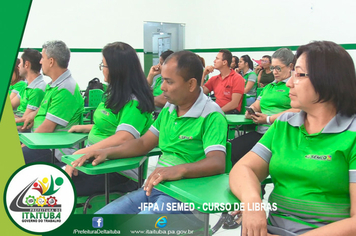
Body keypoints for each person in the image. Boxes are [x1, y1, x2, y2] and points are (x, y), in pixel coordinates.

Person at [70, 51, 227, 228]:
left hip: (185, 199)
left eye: (169, 82)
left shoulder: (212, 115)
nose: (162, 88)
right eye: (163, 80)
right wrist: (105, 152)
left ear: (191, 84)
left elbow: (217, 162)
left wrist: (179, 170)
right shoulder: (170, 109)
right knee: (98, 222)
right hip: (155, 189)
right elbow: (144, 143)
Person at [230, 41, 356, 236]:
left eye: (298, 74)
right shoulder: (285, 124)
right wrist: (253, 203)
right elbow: (244, 168)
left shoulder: (352, 135)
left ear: (327, 80)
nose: (289, 82)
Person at [64, 42, 155, 196]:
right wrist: (84, 128)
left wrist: (82, 152)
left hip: (118, 171)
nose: (102, 69)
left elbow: (123, 138)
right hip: (95, 163)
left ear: (116, 69)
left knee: (55, 189)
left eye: (104, 65)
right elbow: (110, 126)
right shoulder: (114, 93)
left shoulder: (134, 102)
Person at [230, 48, 298, 166]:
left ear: (290, 66)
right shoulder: (268, 88)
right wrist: (251, 112)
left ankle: (256, 180)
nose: (274, 72)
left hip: (281, 136)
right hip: (262, 134)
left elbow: (298, 111)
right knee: (230, 149)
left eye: (278, 68)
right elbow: (256, 105)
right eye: (272, 68)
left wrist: (268, 119)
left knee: (250, 160)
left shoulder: (294, 87)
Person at [20, 40, 84, 163]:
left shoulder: (65, 89)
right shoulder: (55, 85)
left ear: (51, 61)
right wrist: (33, 115)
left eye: (42, 58)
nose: (40, 62)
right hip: (43, 142)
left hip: (53, 149)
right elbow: (45, 108)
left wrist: (24, 145)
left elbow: (47, 129)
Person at [12, 48, 46, 120]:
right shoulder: (27, 85)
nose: (18, 66)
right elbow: (11, 105)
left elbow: (23, 124)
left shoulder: (38, 90)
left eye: (20, 62)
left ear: (26, 64)